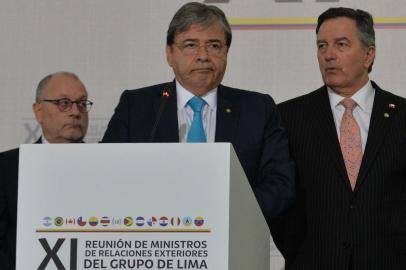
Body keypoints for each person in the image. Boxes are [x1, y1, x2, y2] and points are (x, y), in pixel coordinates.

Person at [102, 2, 295, 229]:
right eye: (190, 45)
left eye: (214, 45)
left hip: (232, 241)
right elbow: (108, 176)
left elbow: (280, 185)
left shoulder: (257, 108)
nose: (203, 56)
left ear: (226, 52)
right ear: (169, 54)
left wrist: (226, 212)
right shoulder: (137, 107)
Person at [278, 7, 406, 270]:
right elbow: (281, 199)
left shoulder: (402, 115)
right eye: (322, 45)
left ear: (368, 54)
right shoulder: (288, 117)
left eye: (341, 44)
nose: (328, 55)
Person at [0, 71, 92, 269]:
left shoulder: (107, 164)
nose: (76, 112)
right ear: (38, 110)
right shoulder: (6, 167)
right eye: (64, 103)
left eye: (82, 103)